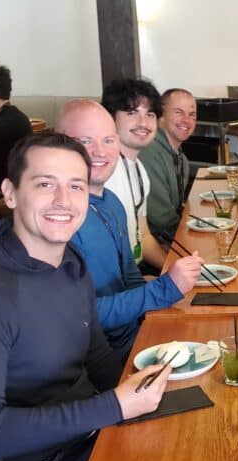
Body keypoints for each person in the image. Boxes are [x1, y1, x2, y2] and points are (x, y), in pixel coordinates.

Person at [0, 133, 176, 461]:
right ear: (10, 192)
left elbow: (98, 359)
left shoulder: (70, 265)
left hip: (92, 436)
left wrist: (143, 388)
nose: (63, 200)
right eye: (46, 184)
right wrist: (114, 406)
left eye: (76, 186)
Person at [57, 99, 202, 355]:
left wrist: (169, 288)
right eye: (86, 141)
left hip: (135, 334)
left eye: (108, 140)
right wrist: (164, 289)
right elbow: (80, 316)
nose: (100, 152)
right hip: (96, 358)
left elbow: (129, 277)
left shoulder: (111, 202)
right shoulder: (60, 218)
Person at [101, 78, 169, 272]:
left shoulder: (138, 167)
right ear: (111, 118)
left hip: (134, 272)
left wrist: (173, 271)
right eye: (132, 113)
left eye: (150, 114)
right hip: (113, 283)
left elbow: (144, 238)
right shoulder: (104, 172)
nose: (143, 123)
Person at [139, 88, 196, 246]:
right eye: (178, 112)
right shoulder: (149, 151)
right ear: (160, 116)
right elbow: (161, 219)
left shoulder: (181, 158)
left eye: (192, 114)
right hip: (151, 248)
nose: (187, 120)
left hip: (169, 239)